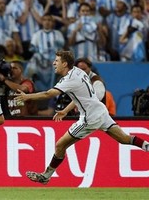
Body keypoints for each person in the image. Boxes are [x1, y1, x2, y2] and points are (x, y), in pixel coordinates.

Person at [14, 50, 149, 185]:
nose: (54, 63)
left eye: (57, 61)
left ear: (65, 63)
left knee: (60, 145)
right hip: (100, 111)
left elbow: (49, 94)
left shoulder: (69, 79)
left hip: (90, 118)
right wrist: (65, 110)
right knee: (124, 139)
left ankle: (46, 176)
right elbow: (81, 95)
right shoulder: (79, 72)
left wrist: (27, 97)